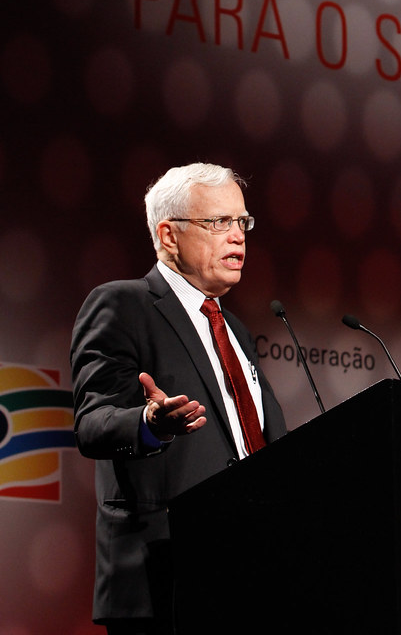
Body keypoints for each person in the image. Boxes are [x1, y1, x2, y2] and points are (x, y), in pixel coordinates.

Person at [70, 163, 287, 635]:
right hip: (165, 580)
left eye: (242, 222)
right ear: (168, 235)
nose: (238, 237)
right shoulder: (121, 305)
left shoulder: (238, 332)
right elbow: (92, 421)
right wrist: (149, 422)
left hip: (252, 578)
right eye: (219, 222)